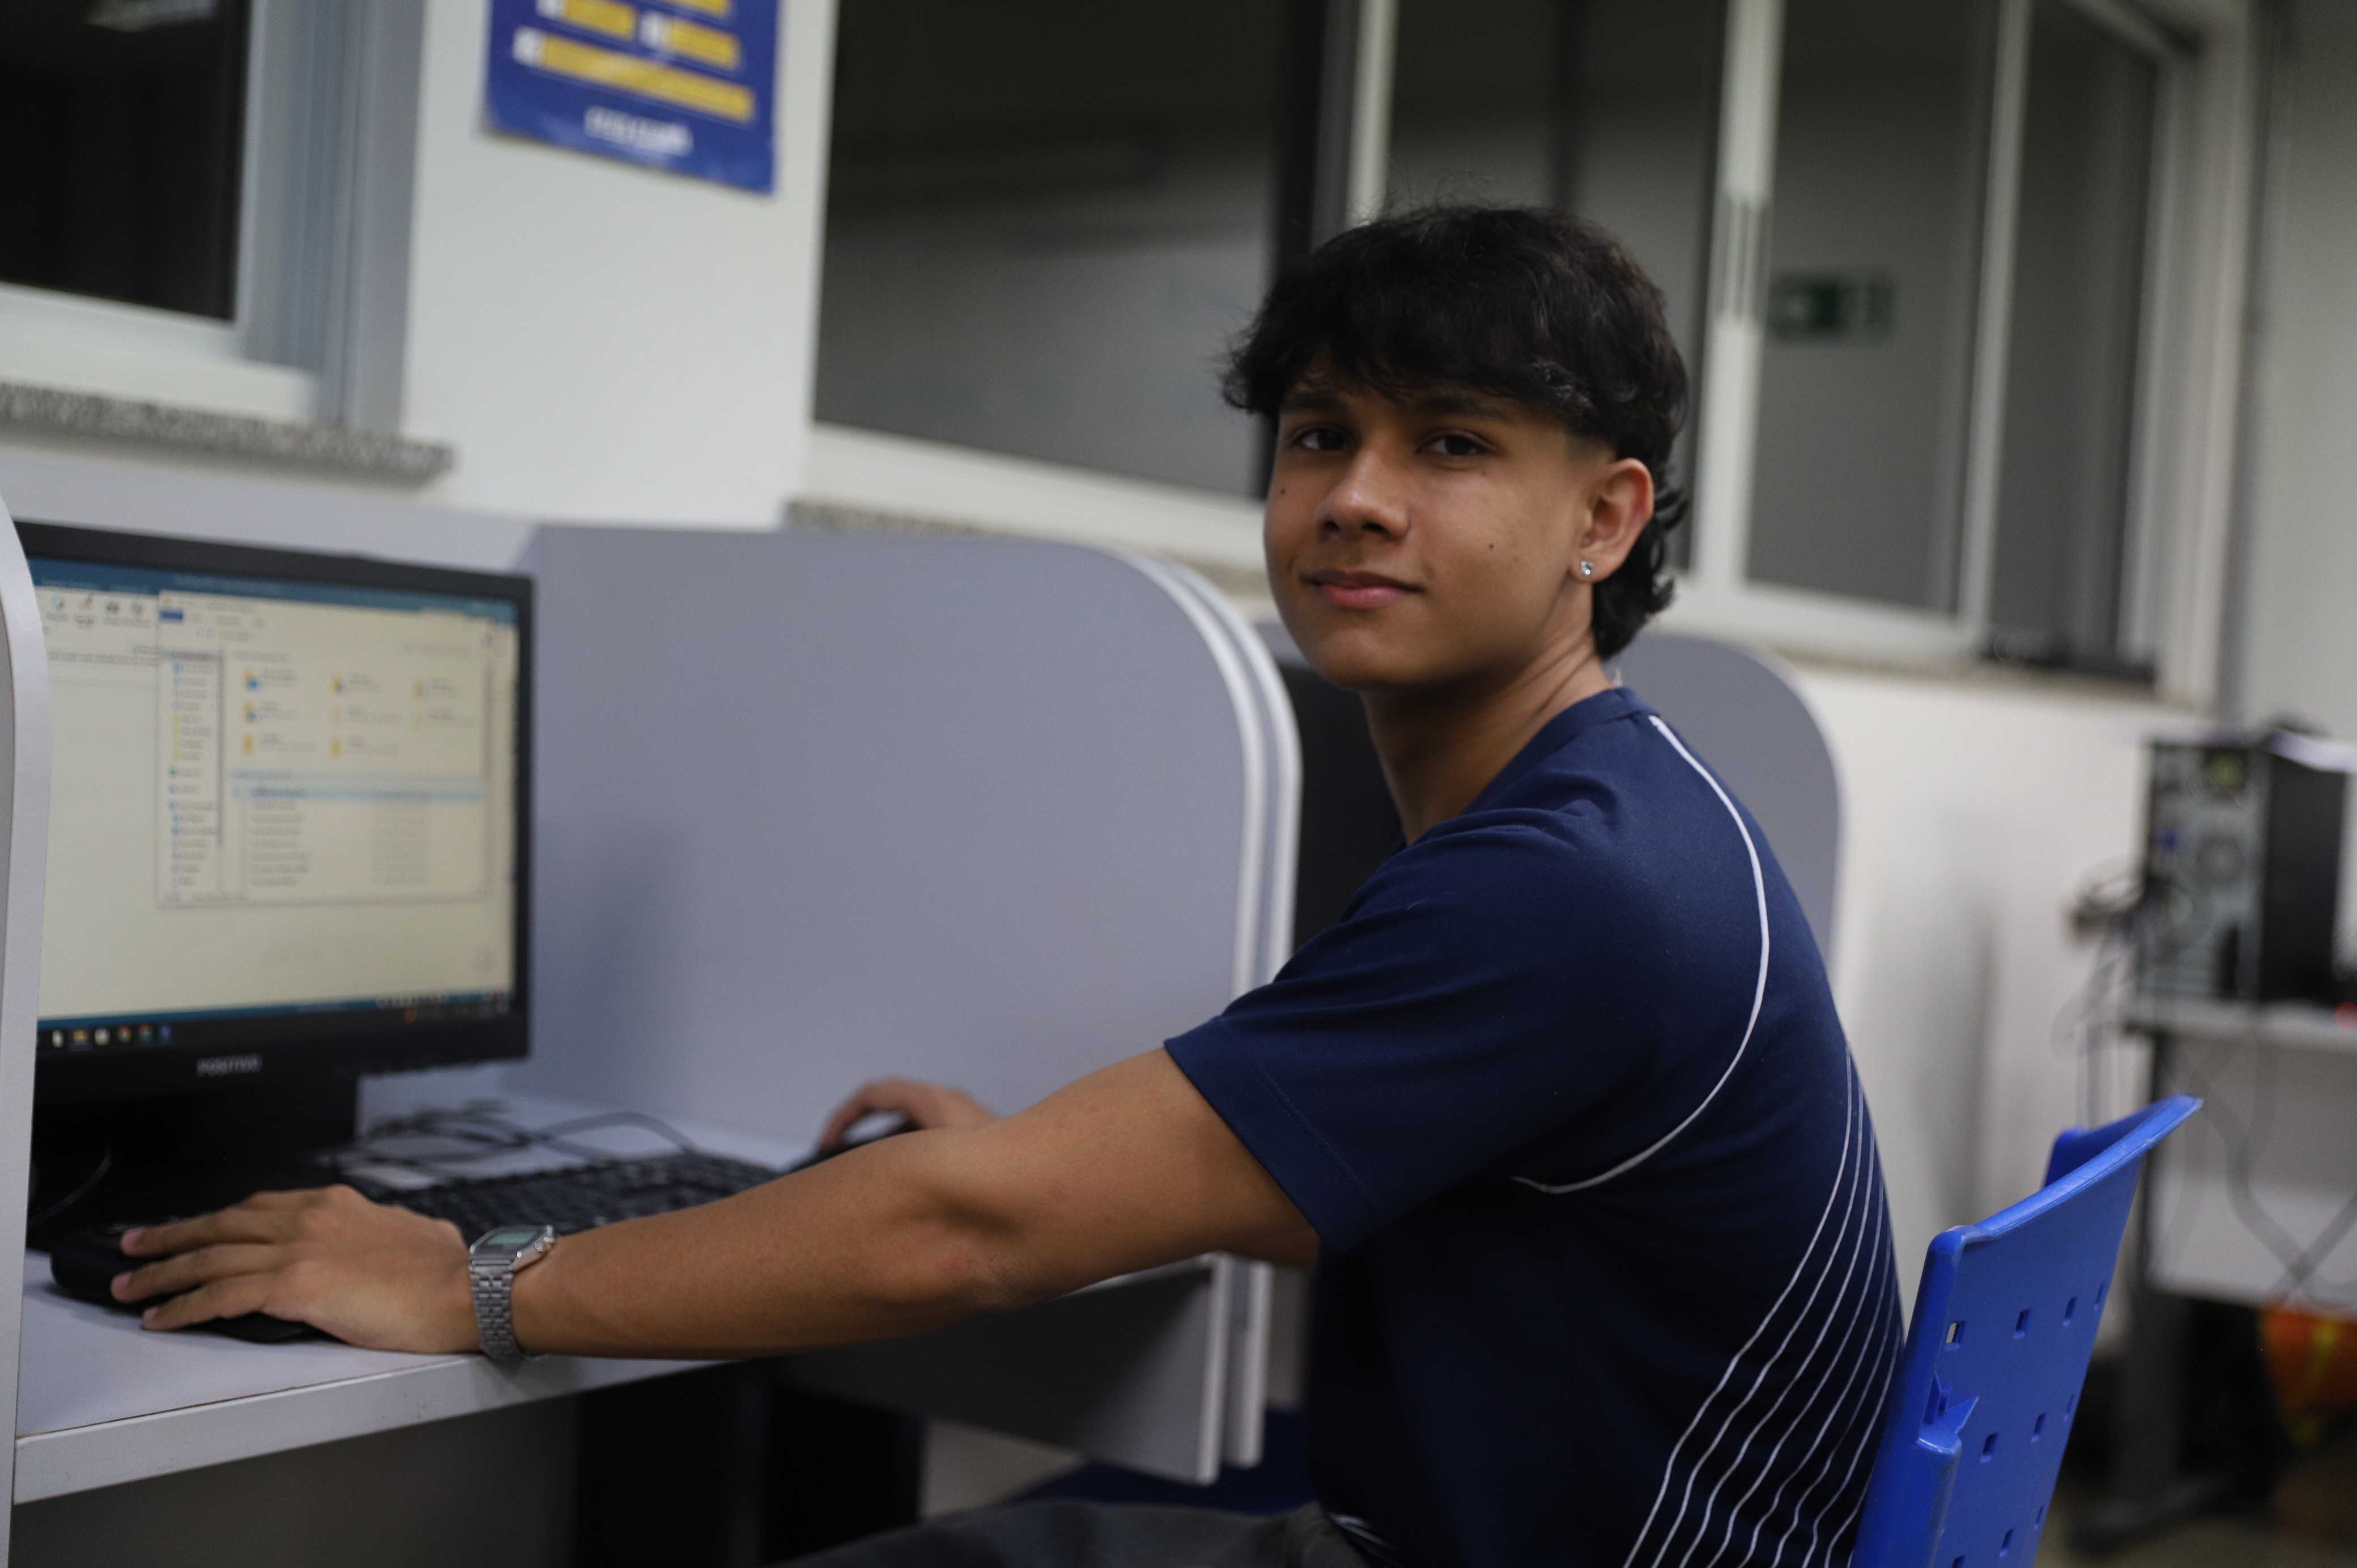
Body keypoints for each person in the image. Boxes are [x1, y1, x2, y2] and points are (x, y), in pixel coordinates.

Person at [109, 206, 1902, 1568]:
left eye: (1451, 445)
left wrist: (474, 1282)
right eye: (1316, 435)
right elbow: (1392, 1191)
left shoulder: (1566, 882)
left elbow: (966, 1236)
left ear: (1604, 520)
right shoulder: (1627, 805)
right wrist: (1065, 1168)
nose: (1355, 498)